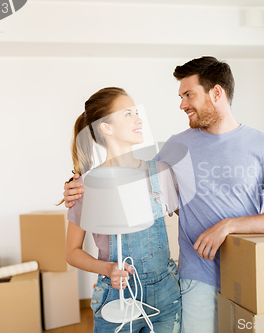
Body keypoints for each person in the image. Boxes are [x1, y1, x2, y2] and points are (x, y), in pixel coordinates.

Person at [64, 57, 264, 333]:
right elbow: (131, 182)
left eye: (188, 95)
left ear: (216, 93)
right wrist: (79, 186)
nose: (181, 104)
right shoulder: (175, 148)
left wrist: (228, 226)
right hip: (193, 279)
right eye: (181, 96)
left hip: (248, 272)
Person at [63, 87, 182, 333]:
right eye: (128, 114)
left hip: (165, 295)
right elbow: (72, 252)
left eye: (137, 113)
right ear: (106, 127)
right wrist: (107, 268)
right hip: (114, 297)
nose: (139, 119)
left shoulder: (160, 173)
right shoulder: (84, 186)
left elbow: (193, 220)